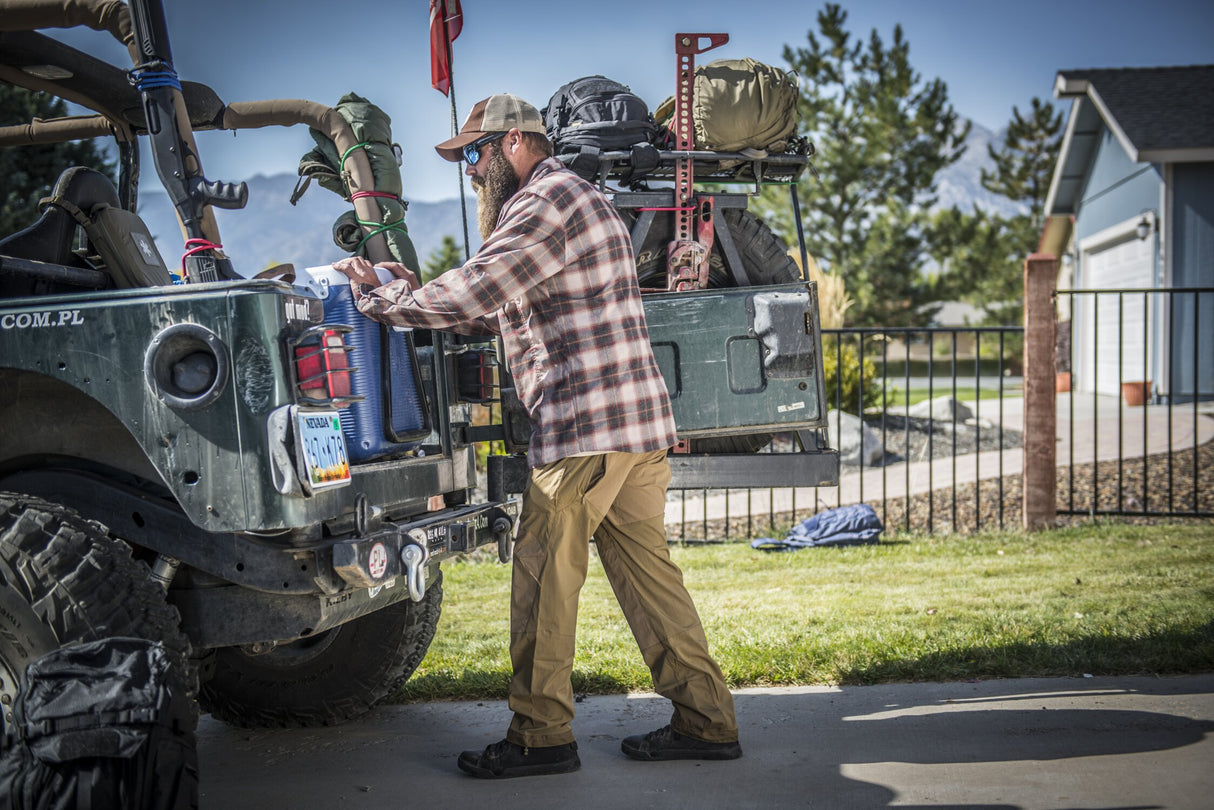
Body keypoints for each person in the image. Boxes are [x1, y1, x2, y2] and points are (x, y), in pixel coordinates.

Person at [331, 93, 739, 779]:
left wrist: (381, 301)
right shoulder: (579, 198)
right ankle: (707, 720)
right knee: (651, 583)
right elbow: (500, 308)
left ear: (515, 142)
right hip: (633, 431)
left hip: (586, 430)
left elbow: (479, 289)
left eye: (473, 153)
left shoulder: (541, 201)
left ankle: (540, 736)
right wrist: (416, 288)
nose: (468, 170)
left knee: (543, 578)